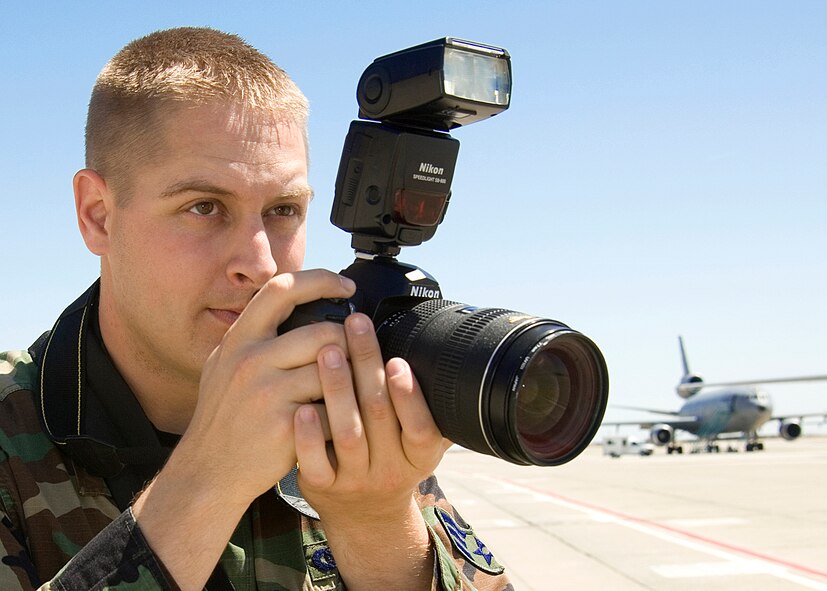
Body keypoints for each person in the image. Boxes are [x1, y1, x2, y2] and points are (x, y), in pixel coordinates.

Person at [0, 27, 512, 591]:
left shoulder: (330, 405)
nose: (261, 263)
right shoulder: (11, 433)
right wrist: (207, 480)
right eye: (204, 206)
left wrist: (377, 524)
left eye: (284, 209)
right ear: (98, 215)